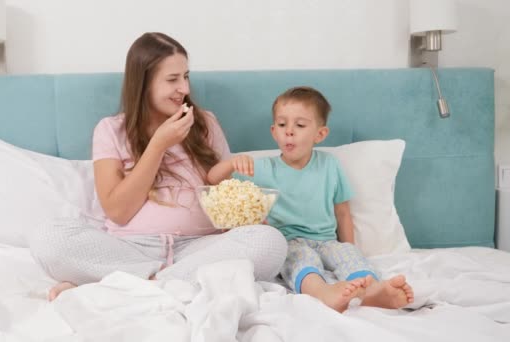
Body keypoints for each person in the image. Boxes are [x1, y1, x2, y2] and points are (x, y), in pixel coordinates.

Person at [29, 32, 288, 301]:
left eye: (185, 77)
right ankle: (172, 281)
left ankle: (130, 284)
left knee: (270, 241)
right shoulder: (111, 130)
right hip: (130, 249)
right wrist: (158, 145)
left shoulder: (205, 123)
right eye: (172, 79)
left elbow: (222, 197)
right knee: (48, 238)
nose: (184, 89)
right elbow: (118, 211)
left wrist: (247, 217)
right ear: (144, 83)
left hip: (199, 248)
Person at [207, 86, 414, 313]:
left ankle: (373, 291)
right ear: (274, 131)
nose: (289, 132)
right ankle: (323, 294)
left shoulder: (330, 165)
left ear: (320, 134)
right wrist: (231, 164)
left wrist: (349, 246)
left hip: (327, 240)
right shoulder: (262, 168)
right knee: (301, 261)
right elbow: (212, 178)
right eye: (282, 125)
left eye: (300, 125)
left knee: (350, 256)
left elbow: (342, 212)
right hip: (289, 241)